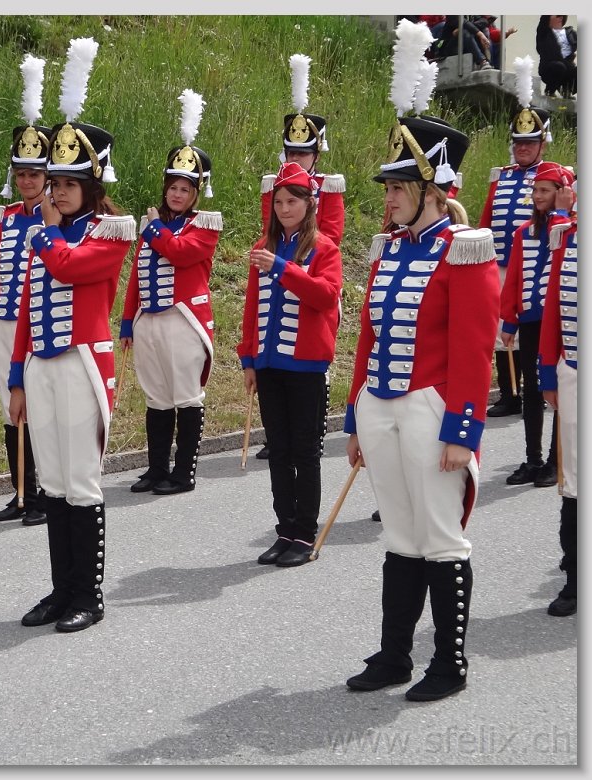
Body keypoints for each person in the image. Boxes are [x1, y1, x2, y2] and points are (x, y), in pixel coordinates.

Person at [343, 107, 499, 702]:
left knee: (440, 537)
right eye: (388, 188)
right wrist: (356, 418)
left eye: (398, 187)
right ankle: (394, 656)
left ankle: (450, 663)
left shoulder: (465, 250)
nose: (388, 198)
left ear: (432, 191)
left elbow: (474, 349)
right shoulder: (390, 249)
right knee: (399, 537)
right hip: (381, 406)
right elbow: (368, 337)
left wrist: (464, 430)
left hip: (432, 408)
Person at [8, 36, 136, 634]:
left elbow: (69, 268)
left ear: (91, 187)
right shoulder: (47, 234)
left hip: (84, 363)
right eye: (53, 183)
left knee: (82, 482)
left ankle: (89, 594)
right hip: (41, 364)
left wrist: (46, 233)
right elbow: (29, 307)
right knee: (52, 482)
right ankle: (62, 591)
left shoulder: (110, 232)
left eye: (67, 183)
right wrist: (16, 377)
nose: (55, 191)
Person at [238, 161, 342, 568]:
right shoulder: (263, 246)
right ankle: (284, 530)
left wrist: (283, 269)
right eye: (278, 202)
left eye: (292, 202)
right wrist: (248, 358)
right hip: (268, 364)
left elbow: (326, 297)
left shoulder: (324, 248)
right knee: (279, 452)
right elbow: (252, 308)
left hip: (306, 367)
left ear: (308, 204)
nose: (284, 208)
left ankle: (305, 534)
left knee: (305, 452)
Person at [119, 88, 222, 496]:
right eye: (172, 187)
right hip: (149, 320)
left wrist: (156, 229)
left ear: (197, 193)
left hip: (184, 319)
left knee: (186, 397)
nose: (176, 194)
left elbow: (179, 254)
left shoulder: (205, 225)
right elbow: (137, 274)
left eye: (185, 189)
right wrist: (128, 320)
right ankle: (156, 468)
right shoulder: (154, 225)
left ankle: (184, 473)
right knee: (157, 397)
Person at [0, 53, 49, 526]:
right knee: (8, 408)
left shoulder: (55, 219)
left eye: (34, 174)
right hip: (4, 324)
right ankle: (20, 492)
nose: (26, 181)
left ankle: (42, 496)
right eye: (21, 174)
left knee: (34, 408)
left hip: (37, 327)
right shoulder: (6, 218)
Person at [256, 53, 346, 462]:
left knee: (313, 348)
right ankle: (277, 433)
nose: (296, 159)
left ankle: (311, 428)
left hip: (317, 265)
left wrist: (301, 259)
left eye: (304, 153)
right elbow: (269, 227)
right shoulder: (274, 185)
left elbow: (333, 233)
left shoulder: (329, 185)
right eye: (291, 151)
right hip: (280, 264)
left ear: (317, 153)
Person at [478, 66, 553, 420]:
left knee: (531, 327)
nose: (523, 148)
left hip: (535, 264)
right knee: (499, 330)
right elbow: (487, 219)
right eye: (519, 142)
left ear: (542, 144)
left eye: (530, 143)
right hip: (499, 263)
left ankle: (534, 390)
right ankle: (509, 394)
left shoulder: (552, 176)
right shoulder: (501, 176)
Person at [499, 162, 573, 488]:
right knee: (531, 390)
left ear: (562, 192)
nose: (537, 196)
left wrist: (562, 212)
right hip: (530, 320)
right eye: (535, 191)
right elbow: (514, 278)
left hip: (559, 325)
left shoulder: (568, 229)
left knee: (557, 391)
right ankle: (533, 459)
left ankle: (556, 461)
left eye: (544, 191)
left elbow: (562, 258)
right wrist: (509, 319)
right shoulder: (524, 232)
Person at [537, 183, 578, 616]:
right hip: (574, 373)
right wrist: (548, 370)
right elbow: (553, 308)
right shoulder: (567, 237)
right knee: (574, 483)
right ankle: (575, 579)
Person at [430, 15, 494, 70]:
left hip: (462, 47)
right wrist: (480, 34)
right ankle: (482, 62)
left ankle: (488, 62)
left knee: (479, 30)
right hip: (446, 49)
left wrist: (469, 27)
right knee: (464, 32)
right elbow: (462, 22)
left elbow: (484, 21)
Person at [535, 15, 577, 98]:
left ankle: (567, 90)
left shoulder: (570, 32)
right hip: (549, 68)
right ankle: (550, 91)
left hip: (567, 68)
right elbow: (544, 20)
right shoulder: (544, 31)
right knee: (559, 66)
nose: (559, 19)